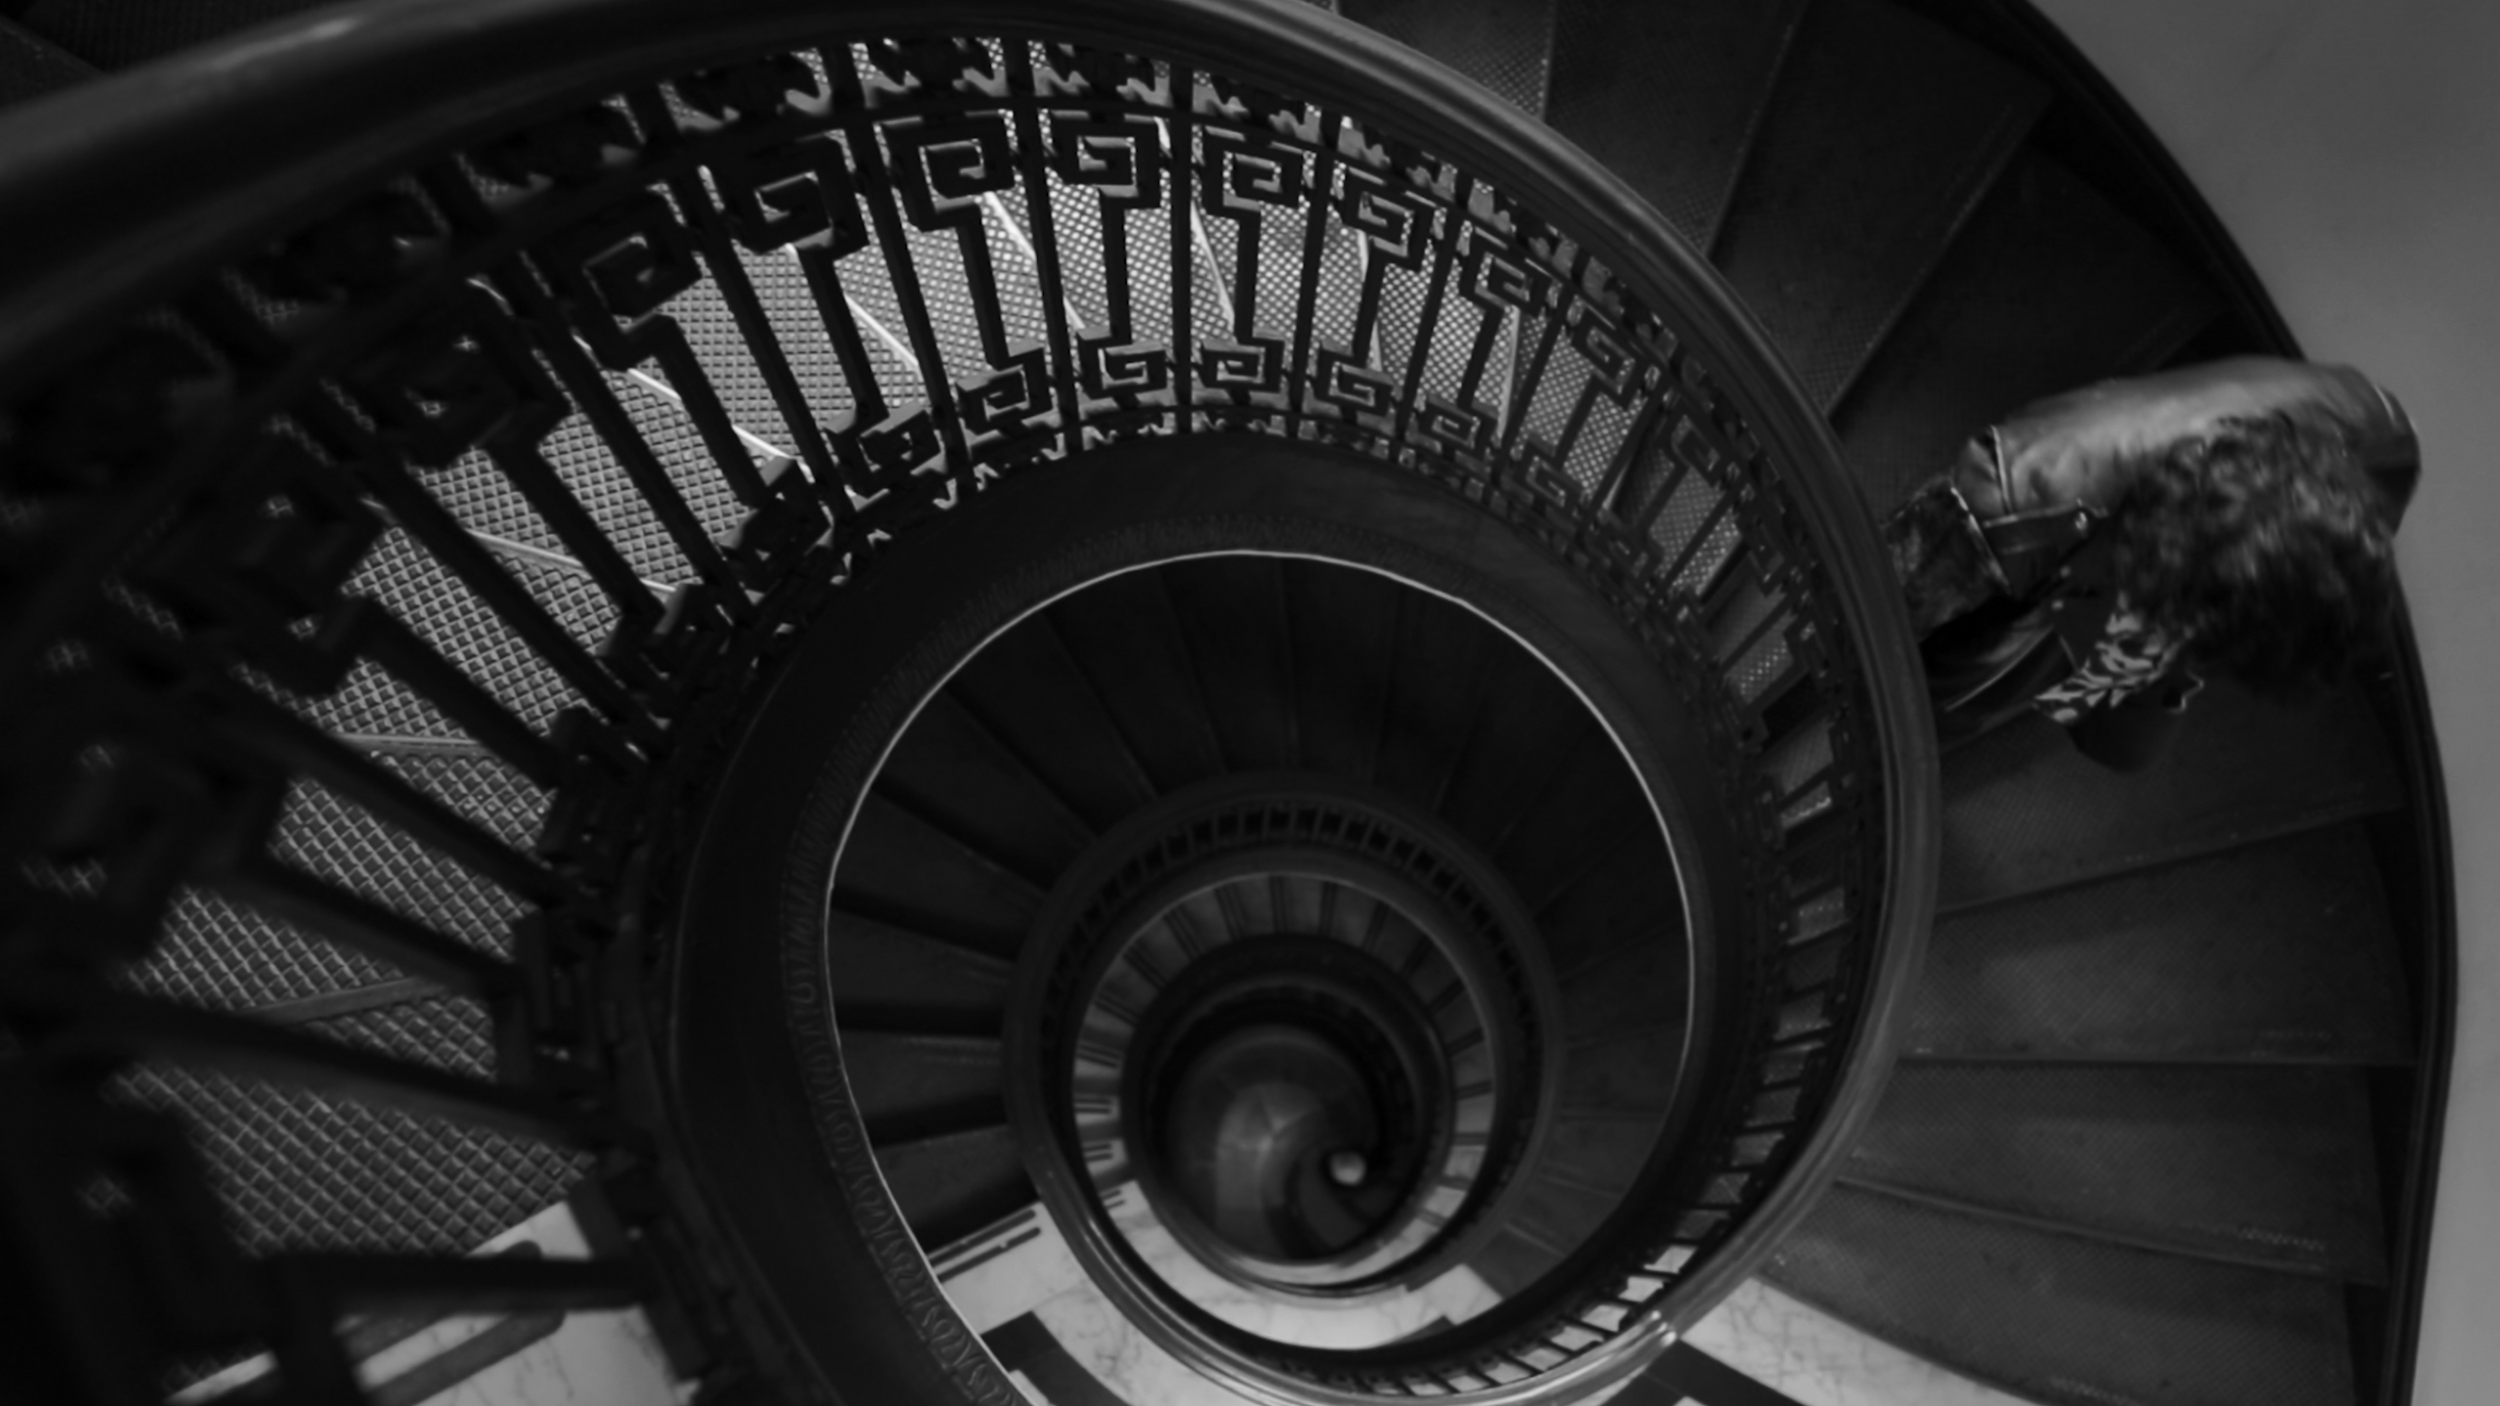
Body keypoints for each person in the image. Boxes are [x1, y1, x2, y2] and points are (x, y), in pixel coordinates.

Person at [1882, 356, 2419, 771]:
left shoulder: (2380, 439)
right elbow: (1882, 604)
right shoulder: (2014, 499)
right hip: (2029, 523)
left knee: (2124, 740)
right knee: (1926, 689)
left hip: (2109, 552)